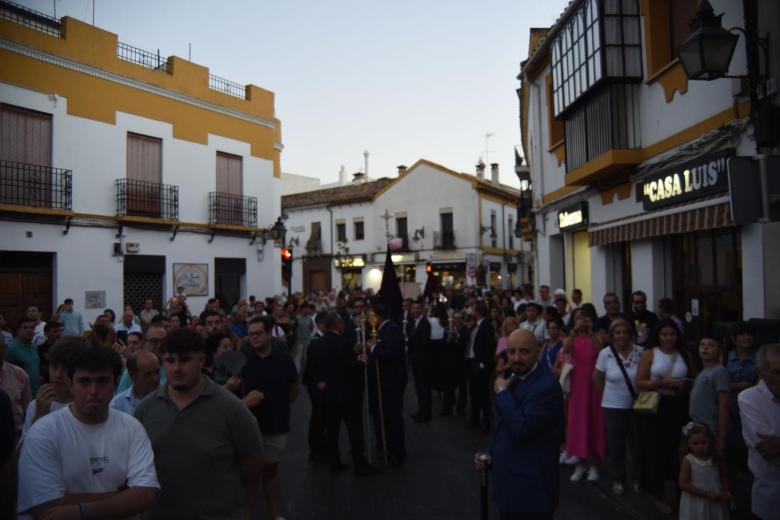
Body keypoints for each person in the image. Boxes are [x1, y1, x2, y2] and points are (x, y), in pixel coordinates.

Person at [17, 342, 159, 519]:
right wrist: (122, 496)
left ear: (115, 384)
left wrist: (78, 510)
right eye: (84, 381)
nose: (93, 391)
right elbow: (44, 508)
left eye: (102, 381)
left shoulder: (132, 427)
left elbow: (146, 494)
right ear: (71, 384)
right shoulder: (44, 432)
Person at [134, 327, 264, 520]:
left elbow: (252, 469)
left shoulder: (231, 408)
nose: (176, 368)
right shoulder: (146, 409)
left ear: (201, 360)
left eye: (185, 359)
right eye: (170, 360)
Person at [474, 329, 563, 519]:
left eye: (524, 351)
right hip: (508, 487)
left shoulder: (546, 386)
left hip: (531, 493)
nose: (516, 358)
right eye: (511, 351)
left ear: (538, 351)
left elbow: (524, 428)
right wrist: (490, 454)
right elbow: (505, 425)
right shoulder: (515, 378)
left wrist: (502, 393)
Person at [240, 316, 299, 519]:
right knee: (250, 475)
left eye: (258, 334)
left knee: (271, 471)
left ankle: (275, 514)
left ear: (268, 333)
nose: (254, 338)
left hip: (276, 424)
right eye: (250, 334)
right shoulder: (243, 358)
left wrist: (280, 405)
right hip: (249, 426)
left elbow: (293, 388)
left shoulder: (283, 359)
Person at [636, 319, 693, 514]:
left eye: (672, 334)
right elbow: (640, 382)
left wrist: (685, 384)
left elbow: (692, 378)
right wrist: (662, 382)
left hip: (679, 406)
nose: (669, 338)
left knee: (679, 449)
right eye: (665, 334)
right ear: (658, 336)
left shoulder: (684, 354)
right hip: (657, 406)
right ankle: (657, 492)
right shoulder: (650, 354)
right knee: (656, 450)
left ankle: (681, 491)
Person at [593, 319, 643, 496]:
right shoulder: (605, 354)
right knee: (616, 446)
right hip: (613, 406)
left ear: (630, 334)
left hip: (637, 407)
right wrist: (607, 394)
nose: (622, 335)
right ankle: (618, 479)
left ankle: (638, 478)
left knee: (638, 445)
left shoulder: (641, 352)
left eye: (625, 332)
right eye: (617, 332)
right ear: (611, 335)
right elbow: (597, 377)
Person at [738, 343, 780, 520]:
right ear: (761, 373)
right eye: (777, 372)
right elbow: (769, 452)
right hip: (771, 498)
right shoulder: (749, 399)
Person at [564, 307, 606, 482]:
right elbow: (566, 349)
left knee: (595, 423)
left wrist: (591, 331)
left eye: (585, 317)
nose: (581, 320)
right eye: (578, 317)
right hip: (578, 386)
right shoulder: (572, 338)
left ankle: (595, 465)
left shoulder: (596, 336)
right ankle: (580, 464)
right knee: (578, 424)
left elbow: (601, 351)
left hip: (594, 387)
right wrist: (575, 331)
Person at [366, 303, 407, 466]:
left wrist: (374, 348)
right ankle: (386, 447)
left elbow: (391, 354)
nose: (369, 319)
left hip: (392, 381)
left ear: (378, 316)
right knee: (383, 416)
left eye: (371, 316)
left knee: (393, 417)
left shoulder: (392, 330)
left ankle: (397, 452)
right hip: (382, 381)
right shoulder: (381, 330)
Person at [21, 336, 84, 438]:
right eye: (54, 366)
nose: (58, 374)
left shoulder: (87, 405)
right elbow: (25, 450)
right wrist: (39, 415)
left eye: (66, 368)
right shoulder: (37, 404)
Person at [678, 422, 730, 520]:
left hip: (715, 498)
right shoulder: (689, 460)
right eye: (695, 443)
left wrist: (725, 490)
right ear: (688, 444)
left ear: (710, 441)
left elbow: (723, 475)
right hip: (696, 500)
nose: (700, 446)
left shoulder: (715, 457)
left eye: (704, 442)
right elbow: (683, 484)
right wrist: (706, 494)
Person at [689, 337, 730, 451]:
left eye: (711, 345)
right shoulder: (702, 372)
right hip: (698, 428)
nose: (705, 347)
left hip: (711, 430)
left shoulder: (719, 371)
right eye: (702, 344)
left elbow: (724, 404)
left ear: (719, 351)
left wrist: (722, 437)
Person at [466, 302, 496, 433]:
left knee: (483, 395)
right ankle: (475, 419)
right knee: (473, 393)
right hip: (473, 362)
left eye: (473, 310)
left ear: (477, 312)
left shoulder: (486, 326)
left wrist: (482, 364)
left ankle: (486, 423)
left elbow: (488, 346)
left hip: (480, 365)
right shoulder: (476, 326)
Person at [302, 312, 328, 463]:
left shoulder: (321, 340)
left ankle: (321, 447)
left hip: (318, 384)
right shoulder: (315, 341)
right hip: (315, 386)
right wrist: (318, 382)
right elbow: (311, 366)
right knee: (317, 418)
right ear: (320, 324)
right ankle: (315, 450)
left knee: (321, 417)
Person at [0, 334, 31, 440]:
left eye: (0, 347)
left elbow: (27, 407)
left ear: (5, 349)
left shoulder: (19, 374)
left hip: (15, 433)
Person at [110, 350, 161, 415]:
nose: (155, 378)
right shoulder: (118, 404)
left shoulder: (171, 398)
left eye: (157, 372)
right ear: (132, 375)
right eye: (148, 374)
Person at [442, 310, 469, 416]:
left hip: (461, 363)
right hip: (449, 362)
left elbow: (463, 344)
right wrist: (449, 339)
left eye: (459, 318)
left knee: (462, 387)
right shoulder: (447, 329)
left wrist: (456, 337)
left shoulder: (465, 329)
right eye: (455, 318)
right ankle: (448, 408)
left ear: (462, 320)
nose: (457, 320)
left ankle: (461, 408)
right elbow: (443, 344)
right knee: (448, 386)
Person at [4, 318, 40, 394]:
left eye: (32, 328)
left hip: (35, 392)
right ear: (18, 330)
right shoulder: (11, 349)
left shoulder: (34, 347)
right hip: (19, 393)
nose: (29, 330)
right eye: (25, 328)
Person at [38, 321, 64, 385]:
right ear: (46, 333)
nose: (59, 334)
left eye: (60, 331)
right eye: (55, 331)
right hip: (46, 383)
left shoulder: (65, 348)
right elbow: (40, 367)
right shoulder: (40, 349)